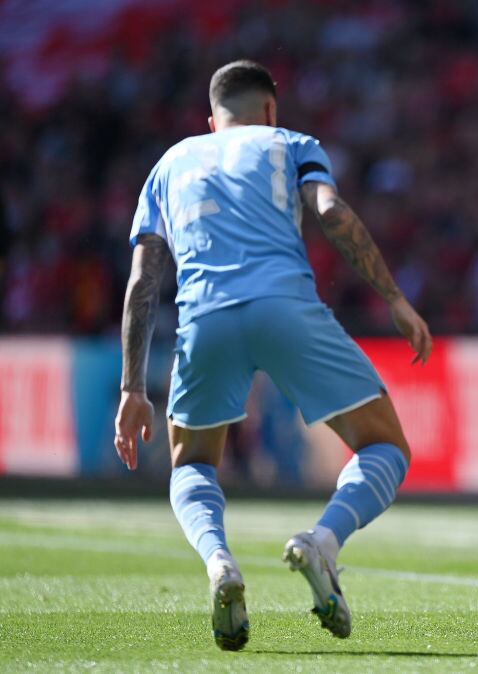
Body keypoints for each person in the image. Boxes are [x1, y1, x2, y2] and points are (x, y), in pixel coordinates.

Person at [113, 60, 431, 651]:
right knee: (384, 443)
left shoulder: (168, 164)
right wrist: (393, 297)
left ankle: (218, 564)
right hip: (286, 308)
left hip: (203, 317)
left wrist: (132, 388)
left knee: (193, 463)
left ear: (212, 121)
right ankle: (323, 542)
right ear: (269, 110)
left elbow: (142, 279)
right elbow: (331, 212)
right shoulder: (290, 143)